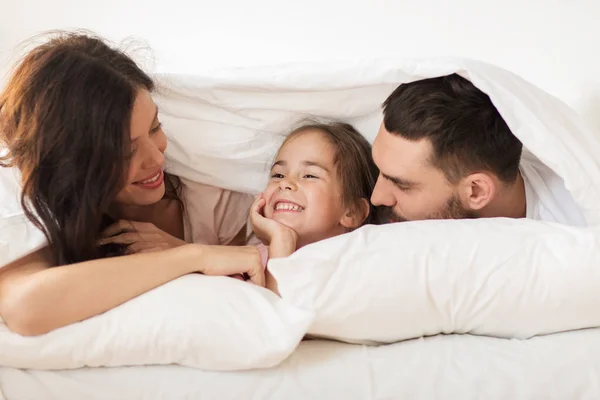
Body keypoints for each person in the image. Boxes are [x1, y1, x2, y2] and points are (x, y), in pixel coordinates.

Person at [0, 32, 264, 336]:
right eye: (126, 150)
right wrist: (191, 256)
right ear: (75, 163)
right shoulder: (48, 211)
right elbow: (26, 307)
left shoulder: (211, 196)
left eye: (155, 127)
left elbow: (249, 291)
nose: (156, 159)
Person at [370, 73, 586, 226]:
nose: (376, 198)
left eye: (401, 184)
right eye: (379, 170)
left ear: (476, 191)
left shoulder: (572, 233)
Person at [249, 122, 380, 293]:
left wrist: (282, 243)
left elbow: (279, 315)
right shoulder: (248, 262)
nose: (285, 182)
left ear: (352, 211)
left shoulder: (352, 270)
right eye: (278, 174)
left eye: (309, 175)